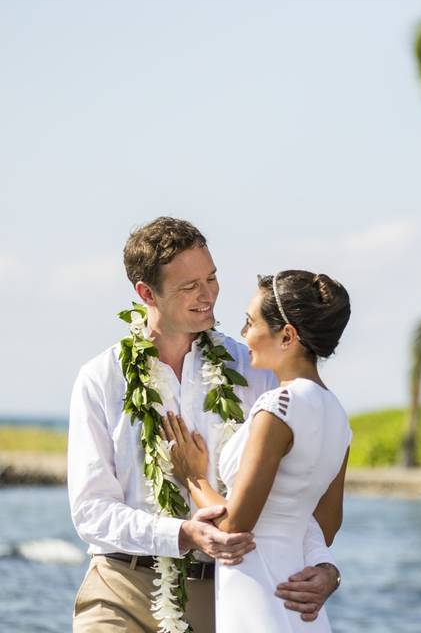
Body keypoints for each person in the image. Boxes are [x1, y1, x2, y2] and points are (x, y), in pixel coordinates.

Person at [68, 217, 341, 633]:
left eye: (211, 278)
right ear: (146, 293)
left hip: (222, 596)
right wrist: (183, 533)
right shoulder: (101, 378)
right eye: (188, 286)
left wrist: (324, 565)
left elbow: (291, 496)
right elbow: (90, 511)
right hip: (119, 587)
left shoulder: (255, 371)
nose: (207, 295)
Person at [162, 270, 352, 632]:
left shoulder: (278, 406)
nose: (245, 334)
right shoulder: (338, 415)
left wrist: (194, 476)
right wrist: (327, 572)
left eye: (250, 323)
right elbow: (326, 526)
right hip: (299, 597)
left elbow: (234, 525)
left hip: (257, 590)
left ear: (287, 336)